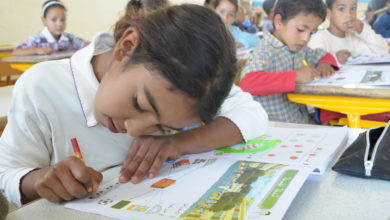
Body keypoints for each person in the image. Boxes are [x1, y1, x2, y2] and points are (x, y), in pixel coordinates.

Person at [0, 4, 268, 206]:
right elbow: (6, 174)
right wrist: (40, 179)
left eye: (162, 126)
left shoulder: (195, 84)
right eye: (139, 104)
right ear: (126, 46)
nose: (134, 131)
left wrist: (179, 142)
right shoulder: (43, 86)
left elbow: (254, 115)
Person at [240, 0, 338, 124]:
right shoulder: (265, 51)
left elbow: (324, 55)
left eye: (312, 33)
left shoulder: (298, 48)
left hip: (302, 122)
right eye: (301, 29)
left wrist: (325, 64)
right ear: (279, 22)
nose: (306, 38)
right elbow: (248, 83)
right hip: (278, 131)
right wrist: (295, 76)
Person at [308, 0, 389, 65]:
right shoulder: (320, 38)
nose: (349, 15)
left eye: (353, 8)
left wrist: (363, 29)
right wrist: (334, 58)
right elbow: (311, 63)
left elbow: (383, 52)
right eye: (341, 9)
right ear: (329, 14)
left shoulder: (354, 37)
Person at [12, 0, 87, 56]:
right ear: (44, 20)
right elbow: (16, 52)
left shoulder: (69, 39)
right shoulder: (37, 40)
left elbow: (85, 45)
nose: (59, 24)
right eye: (54, 20)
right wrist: (37, 50)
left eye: (63, 20)